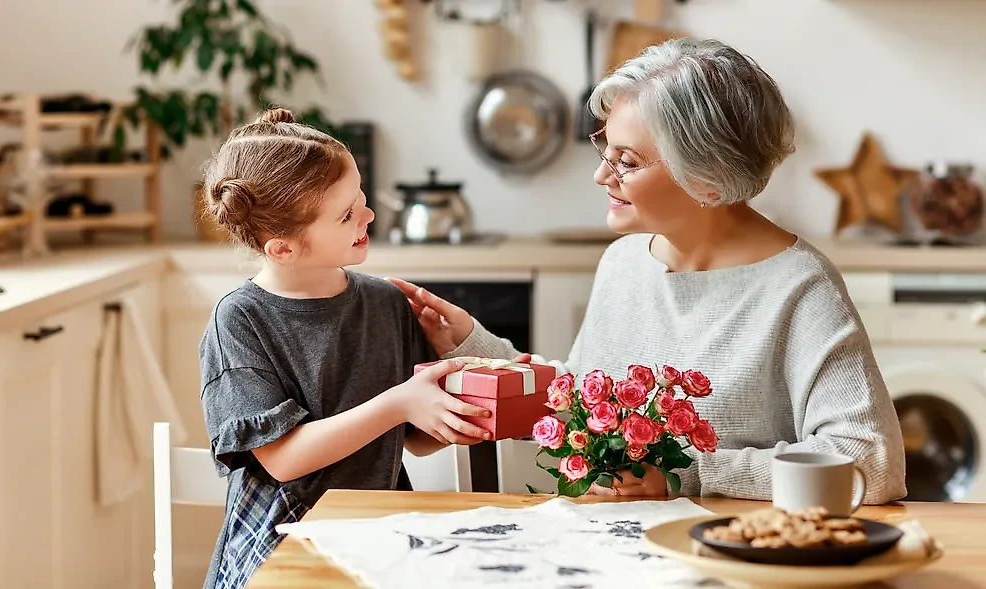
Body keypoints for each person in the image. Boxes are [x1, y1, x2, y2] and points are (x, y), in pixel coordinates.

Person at [390, 38, 906, 503]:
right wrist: (472, 345)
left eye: (627, 161)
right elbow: (591, 400)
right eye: (604, 150)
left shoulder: (798, 286)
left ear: (708, 178)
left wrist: (687, 474)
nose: (600, 175)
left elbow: (870, 462)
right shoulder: (625, 261)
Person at [198, 107, 492, 589]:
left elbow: (411, 438)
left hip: (380, 534)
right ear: (283, 248)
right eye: (346, 215)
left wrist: (457, 413)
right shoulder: (240, 320)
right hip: (281, 546)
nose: (369, 215)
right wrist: (401, 401)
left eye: (361, 199)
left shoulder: (386, 300)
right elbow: (285, 459)